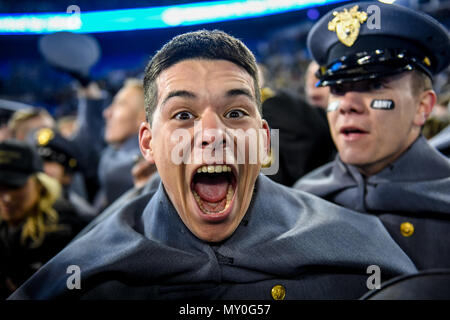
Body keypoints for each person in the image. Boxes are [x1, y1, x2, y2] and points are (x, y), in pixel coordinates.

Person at [9, 30, 416, 300]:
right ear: (148, 143)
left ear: (262, 138)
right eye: (183, 115)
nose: (212, 132)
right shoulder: (84, 277)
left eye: (236, 113)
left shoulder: (363, 254)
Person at [295, 2, 450, 270]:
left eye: (375, 85)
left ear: (422, 106)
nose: (347, 104)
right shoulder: (300, 202)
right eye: (338, 89)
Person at [0, 140, 83, 299]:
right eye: (0, 187)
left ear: (40, 184)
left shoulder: (62, 225)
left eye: (15, 186)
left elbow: (74, 287)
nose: (7, 198)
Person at [95, 78, 147, 209]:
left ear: (143, 117)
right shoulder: (112, 154)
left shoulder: (144, 162)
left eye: (120, 104)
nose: (107, 113)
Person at [30, 127, 97, 222]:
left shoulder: (81, 214)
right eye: (40, 162)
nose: (43, 168)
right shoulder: (24, 201)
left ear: (67, 175)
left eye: (50, 161)